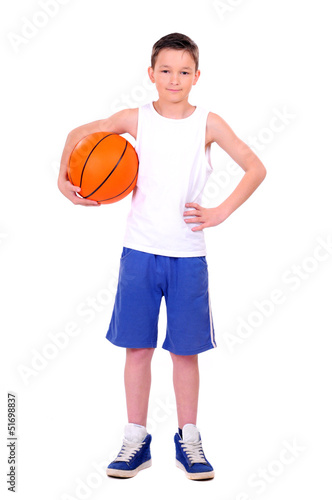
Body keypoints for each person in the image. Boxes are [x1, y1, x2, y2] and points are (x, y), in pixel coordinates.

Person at [58, 32, 267, 481]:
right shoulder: (136, 118)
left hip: (188, 256)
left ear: (197, 76)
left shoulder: (209, 123)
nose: (175, 79)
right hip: (139, 252)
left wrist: (220, 212)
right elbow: (79, 133)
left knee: (185, 352)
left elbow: (256, 167)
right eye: (166, 70)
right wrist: (63, 178)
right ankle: (136, 439)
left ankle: (188, 438)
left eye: (184, 71)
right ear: (151, 74)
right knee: (137, 349)